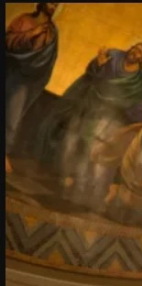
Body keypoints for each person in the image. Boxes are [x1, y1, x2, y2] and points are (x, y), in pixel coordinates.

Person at [35, 42, 142, 206]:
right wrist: (98, 63)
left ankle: (80, 192)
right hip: (88, 104)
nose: (134, 52)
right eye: (134, 48)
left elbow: (140, 104)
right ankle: (65, 184)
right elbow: (92, 73)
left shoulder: (140, 80)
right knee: (71, 142)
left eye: (139, 52)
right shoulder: (114, 56)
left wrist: (141, 120)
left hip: (109, 117)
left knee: (92, 150)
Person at [5, 2, 60, 174]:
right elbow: (7, 41)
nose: (53, 7)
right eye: (51, 2)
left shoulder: (52, 31)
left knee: (12, 115)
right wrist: (31, 34)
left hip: (26, 80)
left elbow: (48, 58)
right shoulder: (23, 20)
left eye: (56, 4)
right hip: (10, 70)